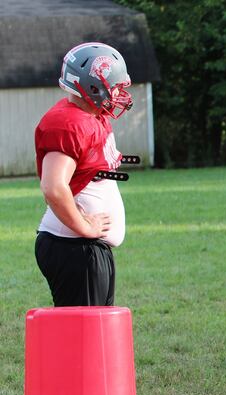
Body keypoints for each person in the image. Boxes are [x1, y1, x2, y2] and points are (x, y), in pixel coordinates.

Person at [34, 42, 133, 307]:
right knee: (80, 335)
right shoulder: (69, 123)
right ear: (92, 86)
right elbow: (53, 187)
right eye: (114, 86)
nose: (119, 93)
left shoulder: (91, 115)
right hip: (74, 247)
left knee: (94, 334)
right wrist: (84, 226)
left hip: (84, 247)